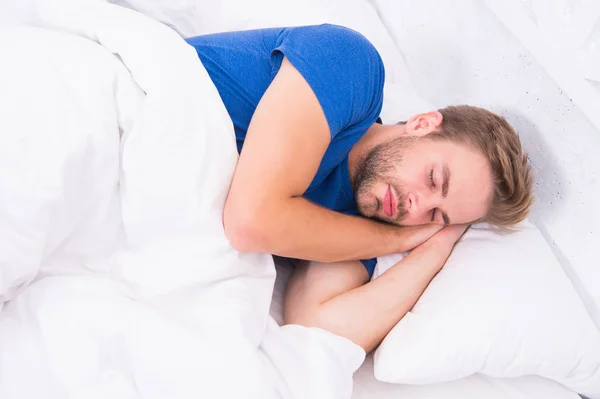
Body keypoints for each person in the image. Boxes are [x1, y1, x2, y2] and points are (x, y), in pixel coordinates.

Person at [185, 24, 533, 353]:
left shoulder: (360, 225)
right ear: (422, 124)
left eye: (435, 214)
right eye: (433, 179)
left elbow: (316, 330)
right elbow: (251, 222)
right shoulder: (350, 66)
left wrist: (435, 249)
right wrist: (397, 241)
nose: (415, 206)